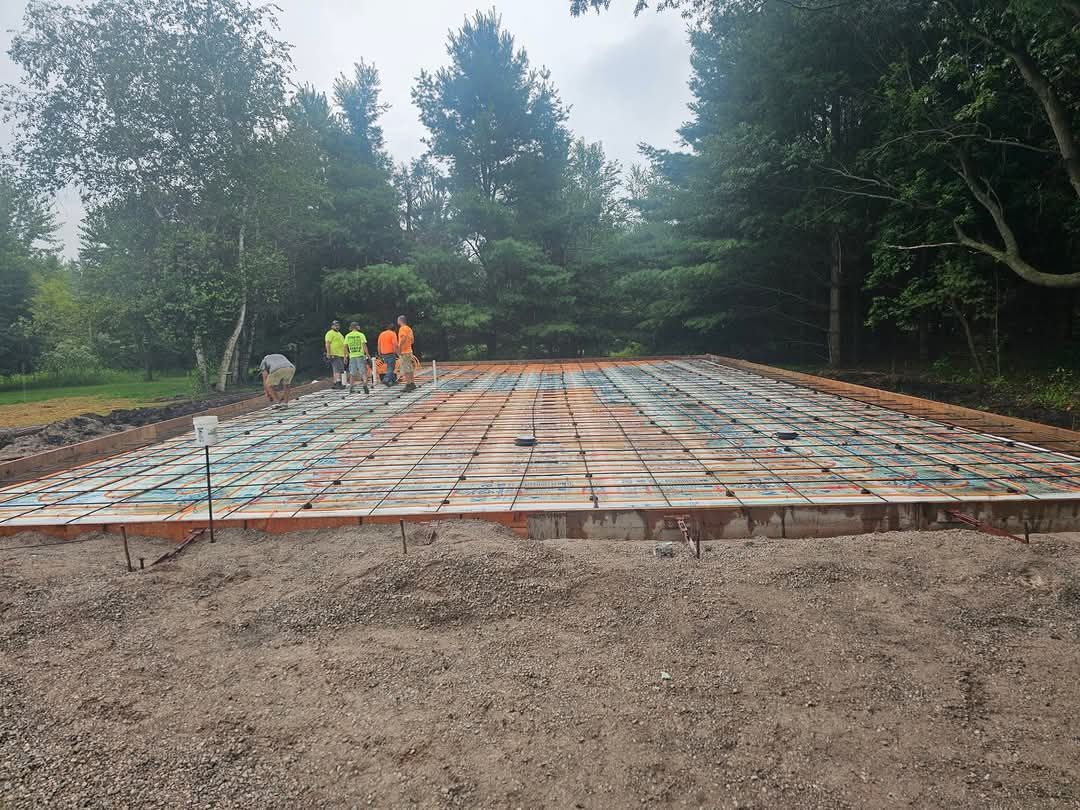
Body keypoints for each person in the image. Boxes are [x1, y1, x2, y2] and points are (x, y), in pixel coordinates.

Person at [344, 321, 370, 394]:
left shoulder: (347, 336)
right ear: (356, 327)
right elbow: (364, 345)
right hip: (360, 355)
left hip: (352, 356)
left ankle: (351, 388)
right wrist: (367, 354)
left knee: (352, 373)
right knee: (363, 372)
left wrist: (346, 356)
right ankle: (365, 384)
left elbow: (345, 347)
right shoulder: (361, 335)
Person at [324, 319, 346, 389]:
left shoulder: (339, 334)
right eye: (335, 325)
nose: (337, 326)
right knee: (338, 368)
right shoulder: (330, 333)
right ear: (332, 326)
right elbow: (327, 343)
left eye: (338, 325)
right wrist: (328, 353)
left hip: (341, 354)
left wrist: (345, 354)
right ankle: (338, 382)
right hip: (334, 353)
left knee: (338, 368)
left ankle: (336, 382)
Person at [397, 314, 417, 392]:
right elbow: (412, 340)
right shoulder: (409, 328)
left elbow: (403, 338)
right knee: (410, 368)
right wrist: (408, 344)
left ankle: (408, 385)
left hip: (404, 352)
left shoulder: (402, 328)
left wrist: (400, 348)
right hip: (409, 350)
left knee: (406, 369)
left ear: (400, 321)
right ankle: (412, 383)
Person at [377, 322, 399, 386]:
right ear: (394, 329)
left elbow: (379, 345)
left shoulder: (382, 334)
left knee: (389, 367)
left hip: (383, 353)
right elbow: (395, 344)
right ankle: (386, 379)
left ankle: (392, 381)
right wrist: (396, 352)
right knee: (391, 367)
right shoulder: (393, 334)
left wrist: (379, 353)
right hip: (391, 353)